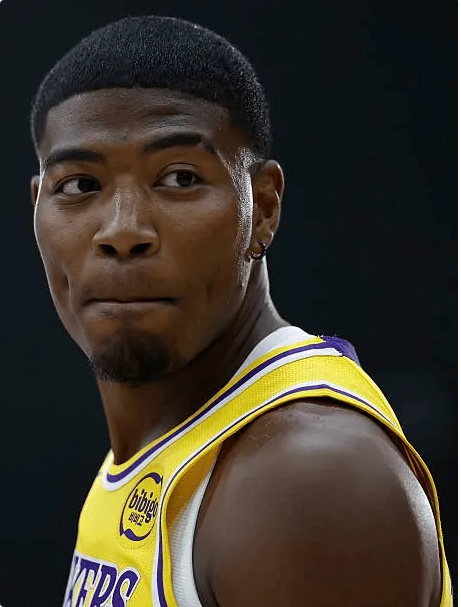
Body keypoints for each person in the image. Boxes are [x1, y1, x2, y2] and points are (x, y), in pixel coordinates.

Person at [30, 15, 451, 607]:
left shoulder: (306, 479)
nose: (123, 231)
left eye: (179, 177)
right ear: (37, 206)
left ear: (265, 207)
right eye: (79, 185)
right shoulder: (171, 447)